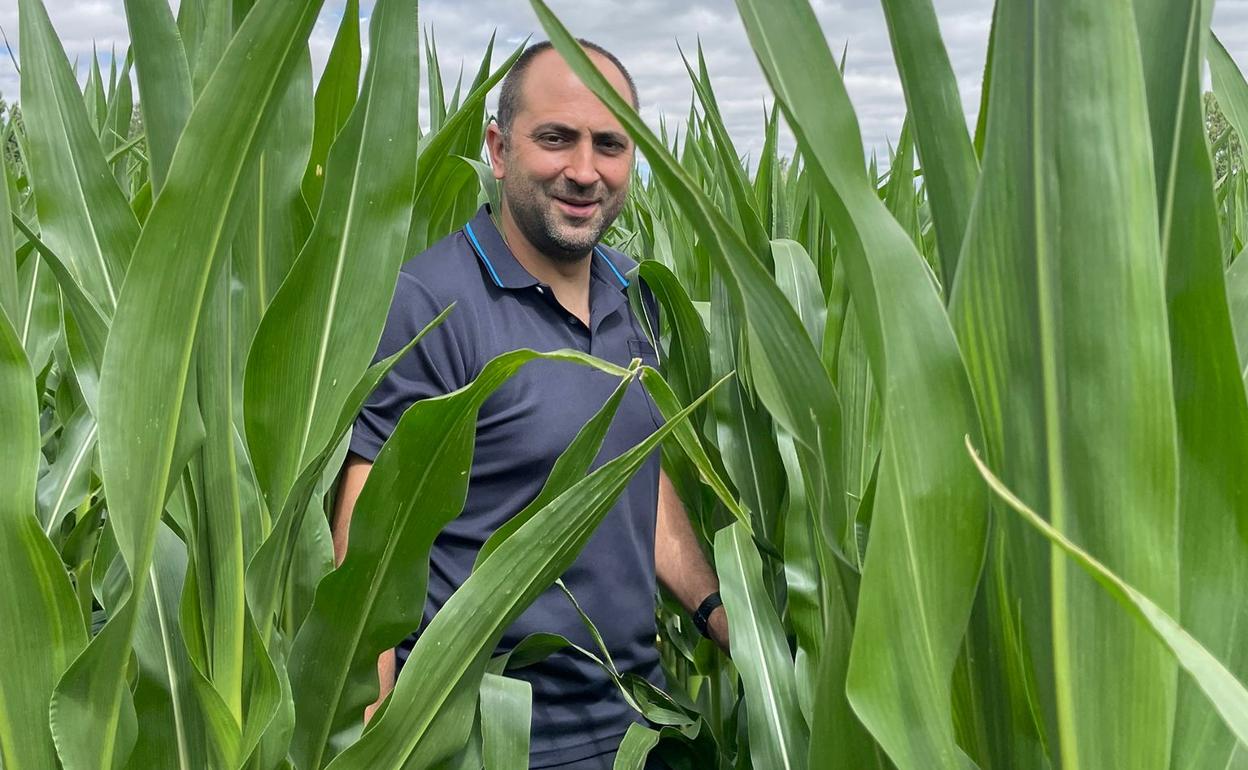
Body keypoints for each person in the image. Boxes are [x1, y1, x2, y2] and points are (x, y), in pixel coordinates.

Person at [332, 39, 729, 770]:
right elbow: (367, 554)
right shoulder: (429, 303)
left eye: (609, 144)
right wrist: (372, 745)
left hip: (643, 730)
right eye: (556, 138)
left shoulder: (630, 293)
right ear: (499, 148)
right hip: (493, 740)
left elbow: (632, 468)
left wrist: (720, 611)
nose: (585, 171)